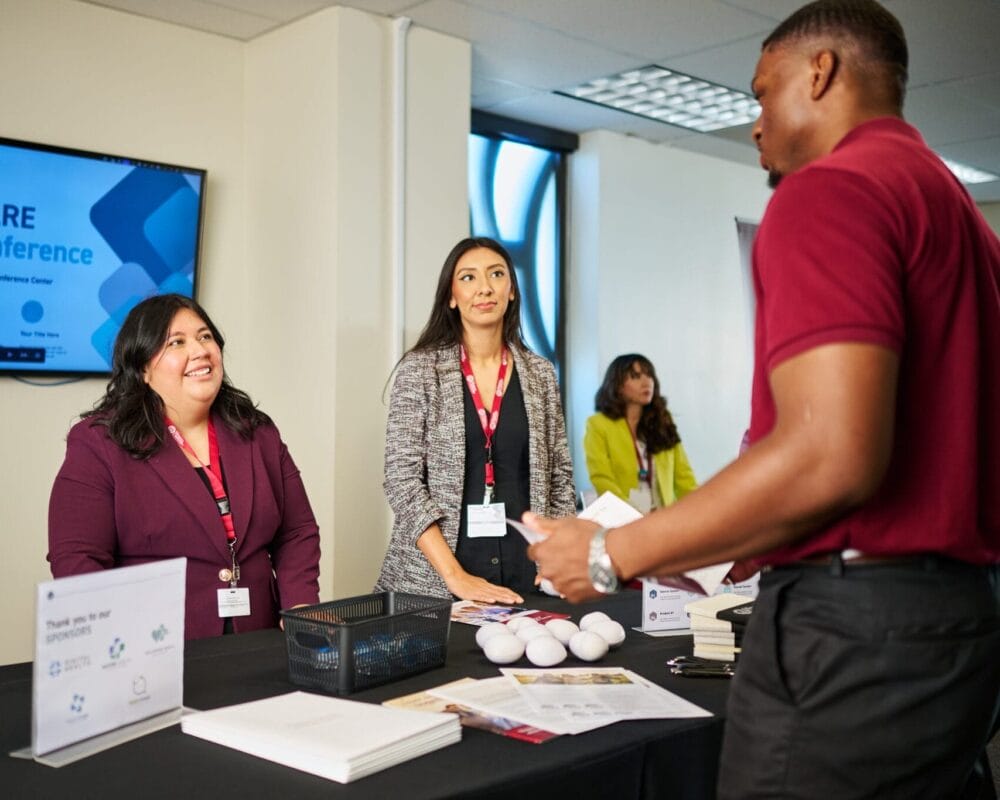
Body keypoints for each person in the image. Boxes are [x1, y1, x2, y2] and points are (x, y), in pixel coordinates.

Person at [525, 1, 1000, 797]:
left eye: (760, 92)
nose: (753, 124)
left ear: (821, 72)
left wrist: (611, 554)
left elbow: (829, 454)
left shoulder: (830, 190)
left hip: (853, 632)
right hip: (957, 622)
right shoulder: (963, 218)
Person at [48, 294, 321, 639]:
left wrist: (300, 605)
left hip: (259, 639)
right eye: (176, 342)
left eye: (205, 336)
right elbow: (77, 558)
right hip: (154, 649)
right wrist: (116, 642)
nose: (200, 350)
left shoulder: (257, 431)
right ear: (143, 368)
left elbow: (297, 531)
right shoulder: (99, 443)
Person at [375, 236, 575, 605]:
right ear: (451, 296)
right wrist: (456, 577)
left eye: (496, 274)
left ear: (511, 290)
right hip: (438, 582)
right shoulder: (421, 370)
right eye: (468, 278)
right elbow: (401, 481)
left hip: (527, 577)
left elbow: (560, 477)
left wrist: (556, 555)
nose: (484, 287)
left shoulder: (541, 374)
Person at [584, 354, 697, 513]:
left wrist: (697, 512)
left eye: (649, 375)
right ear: (617, 386)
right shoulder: (598, 424)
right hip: (624, 520)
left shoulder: (663, 421)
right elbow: (601, 477)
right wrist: (629, 515)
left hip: (664, 518)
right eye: (636, 377)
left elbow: (684, 477)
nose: (646, 382)